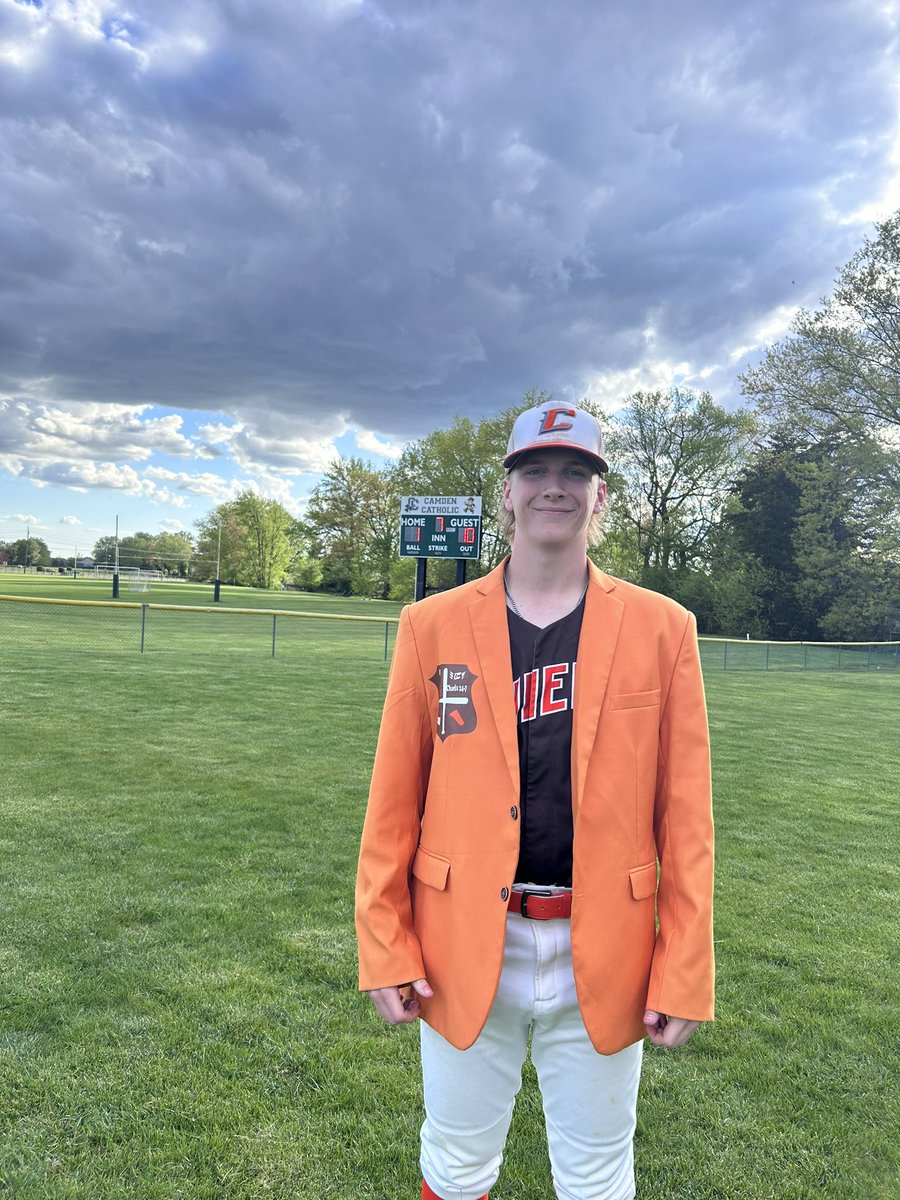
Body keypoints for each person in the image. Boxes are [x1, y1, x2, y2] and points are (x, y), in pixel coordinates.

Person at [355, 403, 714, 1200]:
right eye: (537, 471)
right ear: (509, 492)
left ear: (602, 497)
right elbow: (392, 804)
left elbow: (686, 820)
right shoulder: (432, 626)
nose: (557, 486)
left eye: (577, 472)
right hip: (462, 938)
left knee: (595, 1172)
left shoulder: (664, 628)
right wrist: (384, 939)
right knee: (453, 1162)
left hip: (606, 939)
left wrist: (684, 966)